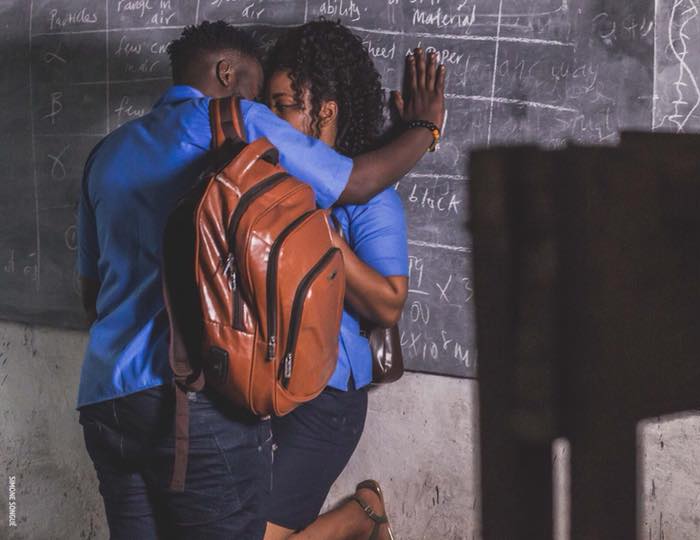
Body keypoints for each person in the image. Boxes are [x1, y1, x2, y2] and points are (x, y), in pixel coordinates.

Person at [75, 20, 444, 539]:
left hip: (106, 396)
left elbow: (91, 296)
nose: (266, 112)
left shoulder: (106, 153)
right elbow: (357, 181)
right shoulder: (237, 120)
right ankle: (361, 520)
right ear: (228, 74)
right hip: (195, 394)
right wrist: (425, 129)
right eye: (258, 94)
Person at [258, 20, 412, 540]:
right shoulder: (273, 184)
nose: (268, 119)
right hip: (266, 386)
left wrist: (323, 235)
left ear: (325, 111)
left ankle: (361, 516)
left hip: (327, 399)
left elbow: (388, 304)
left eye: (283, 105)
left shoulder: (372, 201)